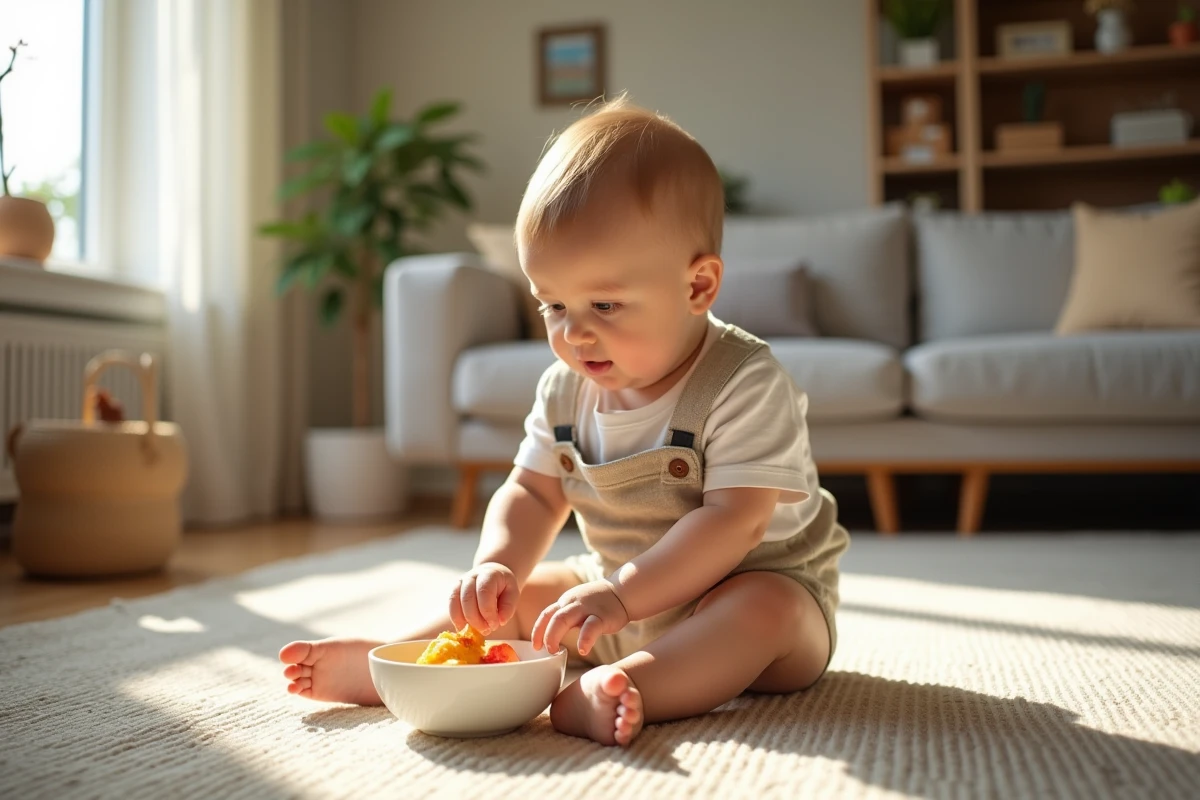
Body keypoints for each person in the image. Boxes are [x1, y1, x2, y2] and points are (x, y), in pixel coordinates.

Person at [279, 95, 849, 747]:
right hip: (610, 587)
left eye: (604, 304)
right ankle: (401, 662)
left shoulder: (743, 381)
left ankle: (625, 690)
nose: (574, 334)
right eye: (552, 304)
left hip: (750, 592)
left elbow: (734, 521)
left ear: (697, 287)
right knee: (521, 599)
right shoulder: (564, 391)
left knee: (762, 613)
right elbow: (531, 490)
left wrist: (625, 599)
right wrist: (498, 566)